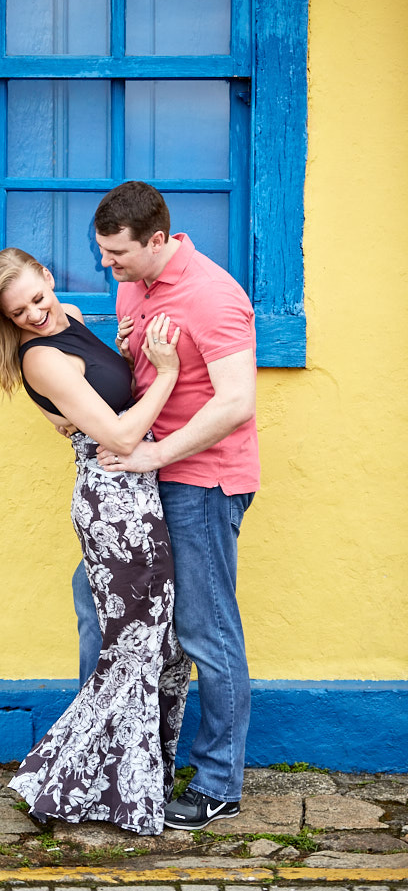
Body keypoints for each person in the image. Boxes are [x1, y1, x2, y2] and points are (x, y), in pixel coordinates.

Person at [0, 247, 191, 836]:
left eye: (37, 296)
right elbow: (125, 434)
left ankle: (135, 779)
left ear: (49, 280)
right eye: (18, 311)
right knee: (135, 649)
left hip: (139, 494)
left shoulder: (73, 316)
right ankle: (70, 782)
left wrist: (126, 350)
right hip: (116, 505)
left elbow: (100, 394)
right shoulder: (41, 359)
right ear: (3, 317)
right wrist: (171, 372)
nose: (35, 312)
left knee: (164, 647)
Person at [71, 181, 260, 831]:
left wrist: (156, 455)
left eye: (116, 254)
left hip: (203, 481)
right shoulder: (136, 282)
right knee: (110, 606)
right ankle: (126, 759)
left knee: (207, 631)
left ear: (157, 240)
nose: (107, 266)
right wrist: (122, 348)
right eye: (103, 253)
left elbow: (235, 401)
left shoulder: (214, 297)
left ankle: (217, 784)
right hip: (150, 477)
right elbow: (149, 372)